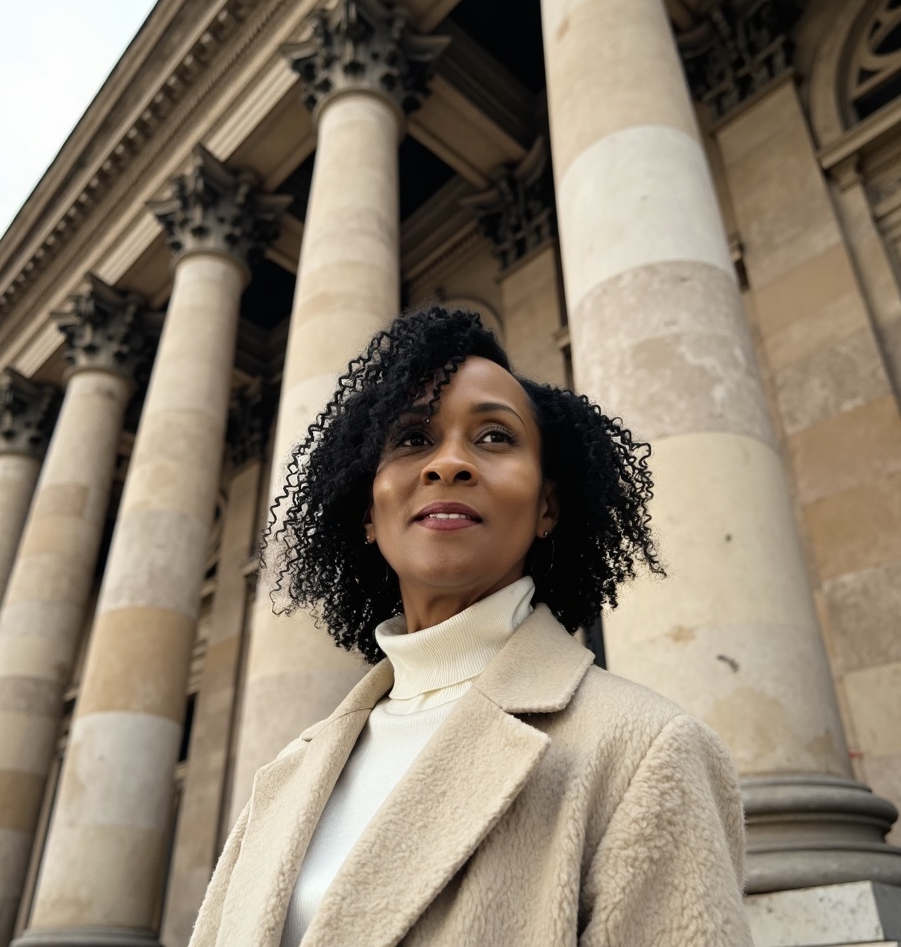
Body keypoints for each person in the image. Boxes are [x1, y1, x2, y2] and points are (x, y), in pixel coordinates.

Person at [189, 305, 753, 947]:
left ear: (547, 505)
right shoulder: (288, 774)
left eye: (494, 438)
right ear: (368, 514)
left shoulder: (647, 751)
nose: (448, 465)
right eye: (412, 439)